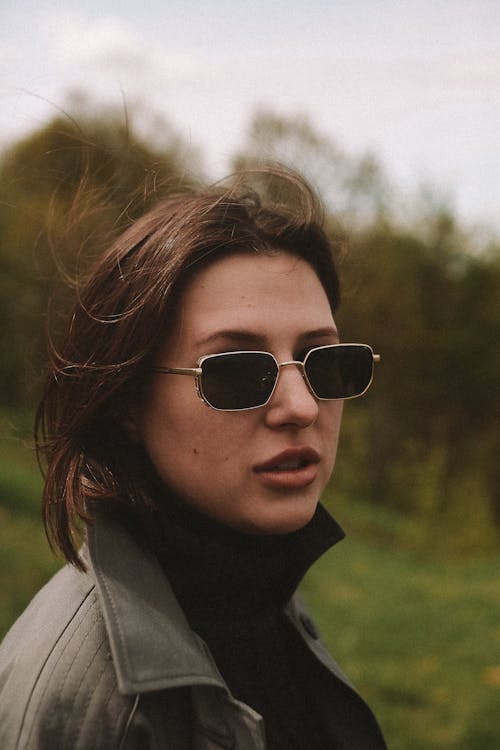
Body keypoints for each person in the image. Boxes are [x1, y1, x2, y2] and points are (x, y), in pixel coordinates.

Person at [0, 169, 386, 749]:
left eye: (323, 361)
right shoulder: (90, 704)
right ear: (128, 400)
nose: (302, 406)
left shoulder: (251, 592)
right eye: (234, 372)